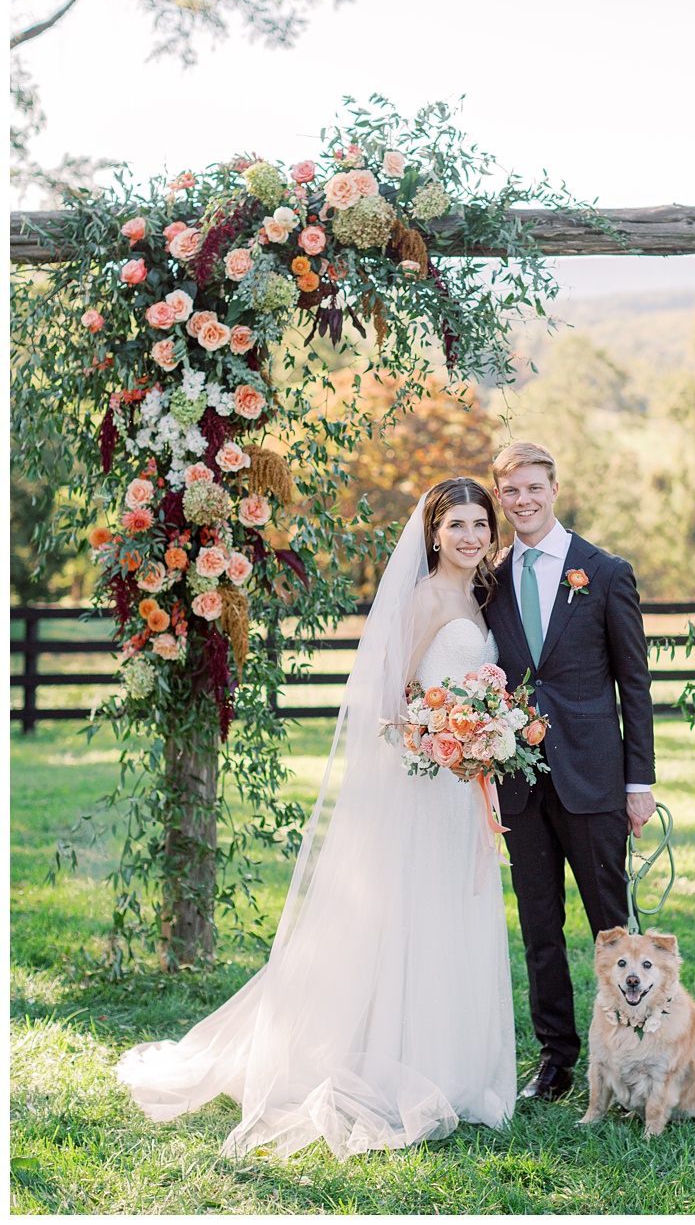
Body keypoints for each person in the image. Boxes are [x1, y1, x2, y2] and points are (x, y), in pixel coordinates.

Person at [117, 478, 518, 1159]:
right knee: (411, 916)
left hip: (458, 787)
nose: (472, 535)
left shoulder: (477, 599)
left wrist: (479, 737)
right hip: (425, 785)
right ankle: (398, 1057)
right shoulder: (424, 599)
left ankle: (455, 1065)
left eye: (481, 522)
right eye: (458, 524)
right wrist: (444, 734)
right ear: (434, 532)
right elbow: (391, 704)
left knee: (452, 911)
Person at [482, 440, 657, 1102]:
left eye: (533, 487)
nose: (522, 500)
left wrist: (637, 783)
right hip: (519, 784)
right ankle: (557, 1057)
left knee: (613, 929)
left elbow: (633, 685)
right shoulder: (490, 578)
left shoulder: (604, 572)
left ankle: (636, 1049)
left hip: (594, 780)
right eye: (510, 491)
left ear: (554, 488)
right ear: (500, 496)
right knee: (540, 929)